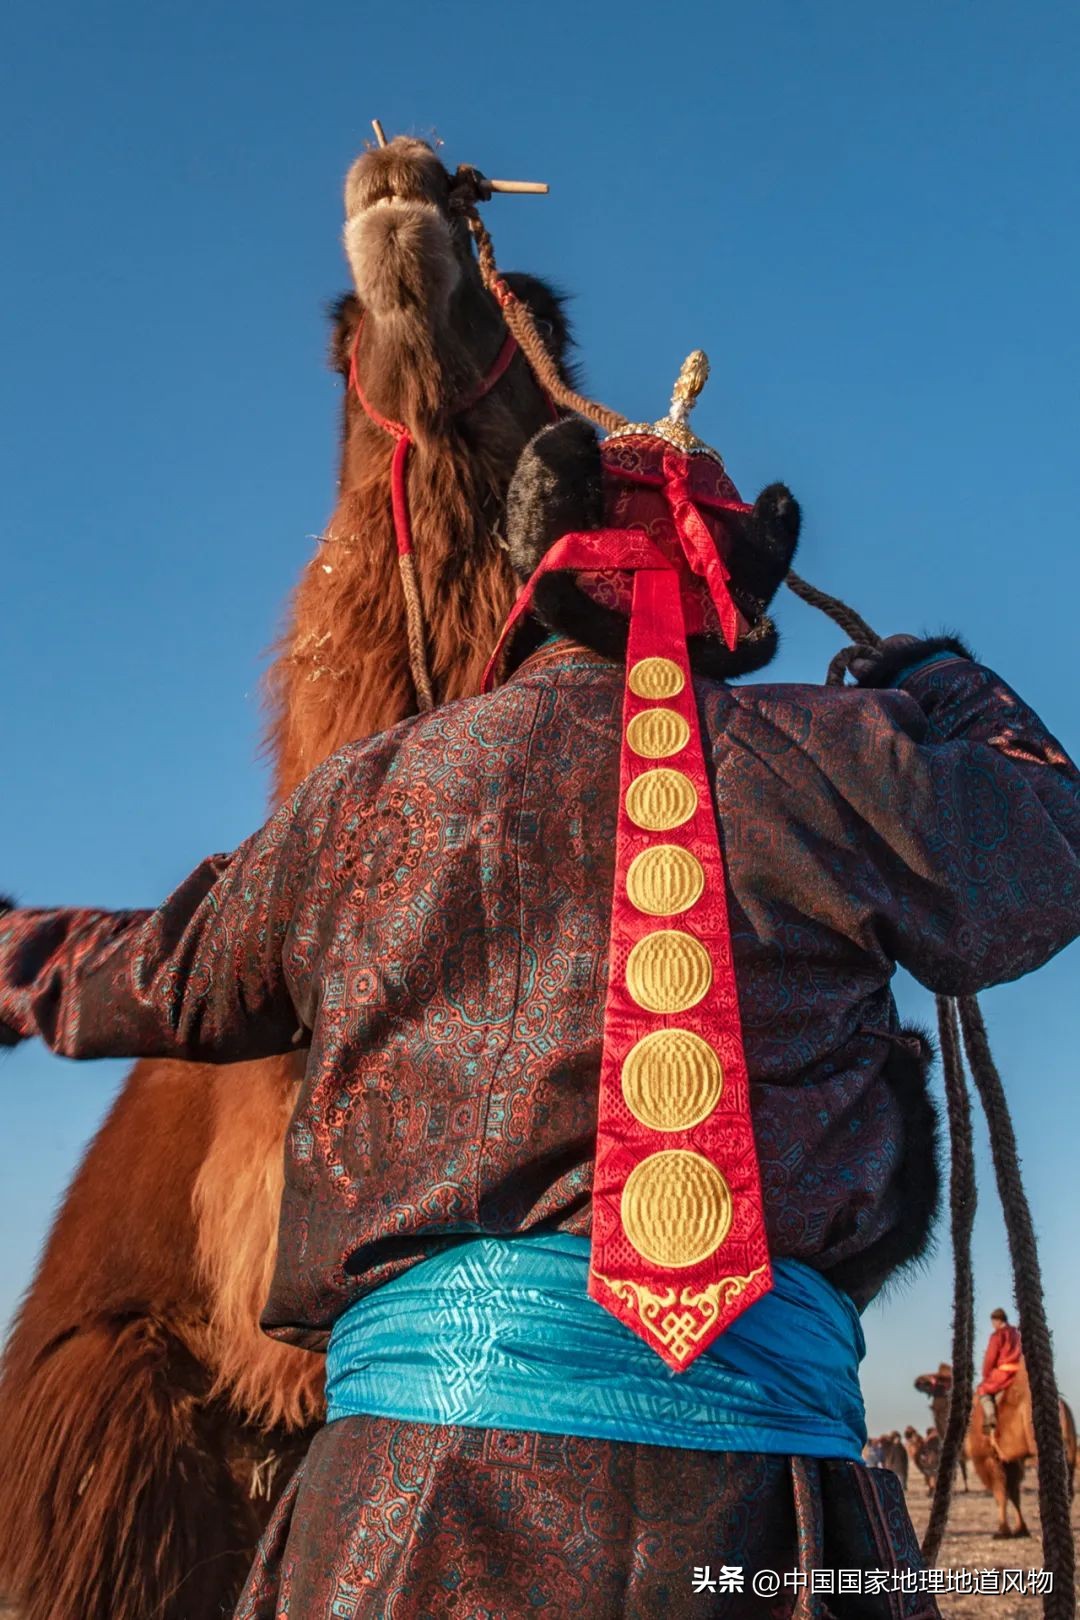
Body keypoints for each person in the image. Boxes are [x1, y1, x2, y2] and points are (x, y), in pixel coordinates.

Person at [3, 368, 1079, 1620]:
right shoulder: (850, 764)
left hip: (402, 1523)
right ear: (739, 599)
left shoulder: (371, 798)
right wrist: (938, 674)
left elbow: (158, 974)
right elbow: (1047, 842)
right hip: (773, 1528)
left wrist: (15, 953)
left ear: (536, 582)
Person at [978, 1308, 1024, 1431]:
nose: (993, 1325)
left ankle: (991, 1416)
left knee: (983, 1389)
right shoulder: (1016, 1333)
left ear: (998, 1320)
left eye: (993, 1322)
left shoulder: (997, 1335)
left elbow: (990, 1358)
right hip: (1019, 1373)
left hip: (1004, 1373)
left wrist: (986, 1374)